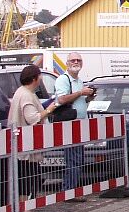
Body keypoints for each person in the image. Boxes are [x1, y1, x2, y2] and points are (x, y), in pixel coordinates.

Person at [8, 65, 60, 200]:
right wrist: (49, 110)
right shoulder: (26, 95)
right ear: (34, 78)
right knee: (28, 179)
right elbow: (32, 118)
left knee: (29, 177)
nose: (41, 78)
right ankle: (24, 207)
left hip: (22, 145)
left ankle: (23, 206)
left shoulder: (22, 92)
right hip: (26, 147)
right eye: (39, 75)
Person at [54, 52, 95, 201]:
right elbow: (62, 99)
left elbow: (79, 101)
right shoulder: (63, 80)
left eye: (78, 60)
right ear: (67, 63)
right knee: (73, 159)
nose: (76, 62)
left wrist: (88, 97)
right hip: (69, 125)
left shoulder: (79, 81)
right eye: (73, 60)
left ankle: (72, 190)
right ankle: (68, 192)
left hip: (79, 125)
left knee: (78, 159)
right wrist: (80, 92)